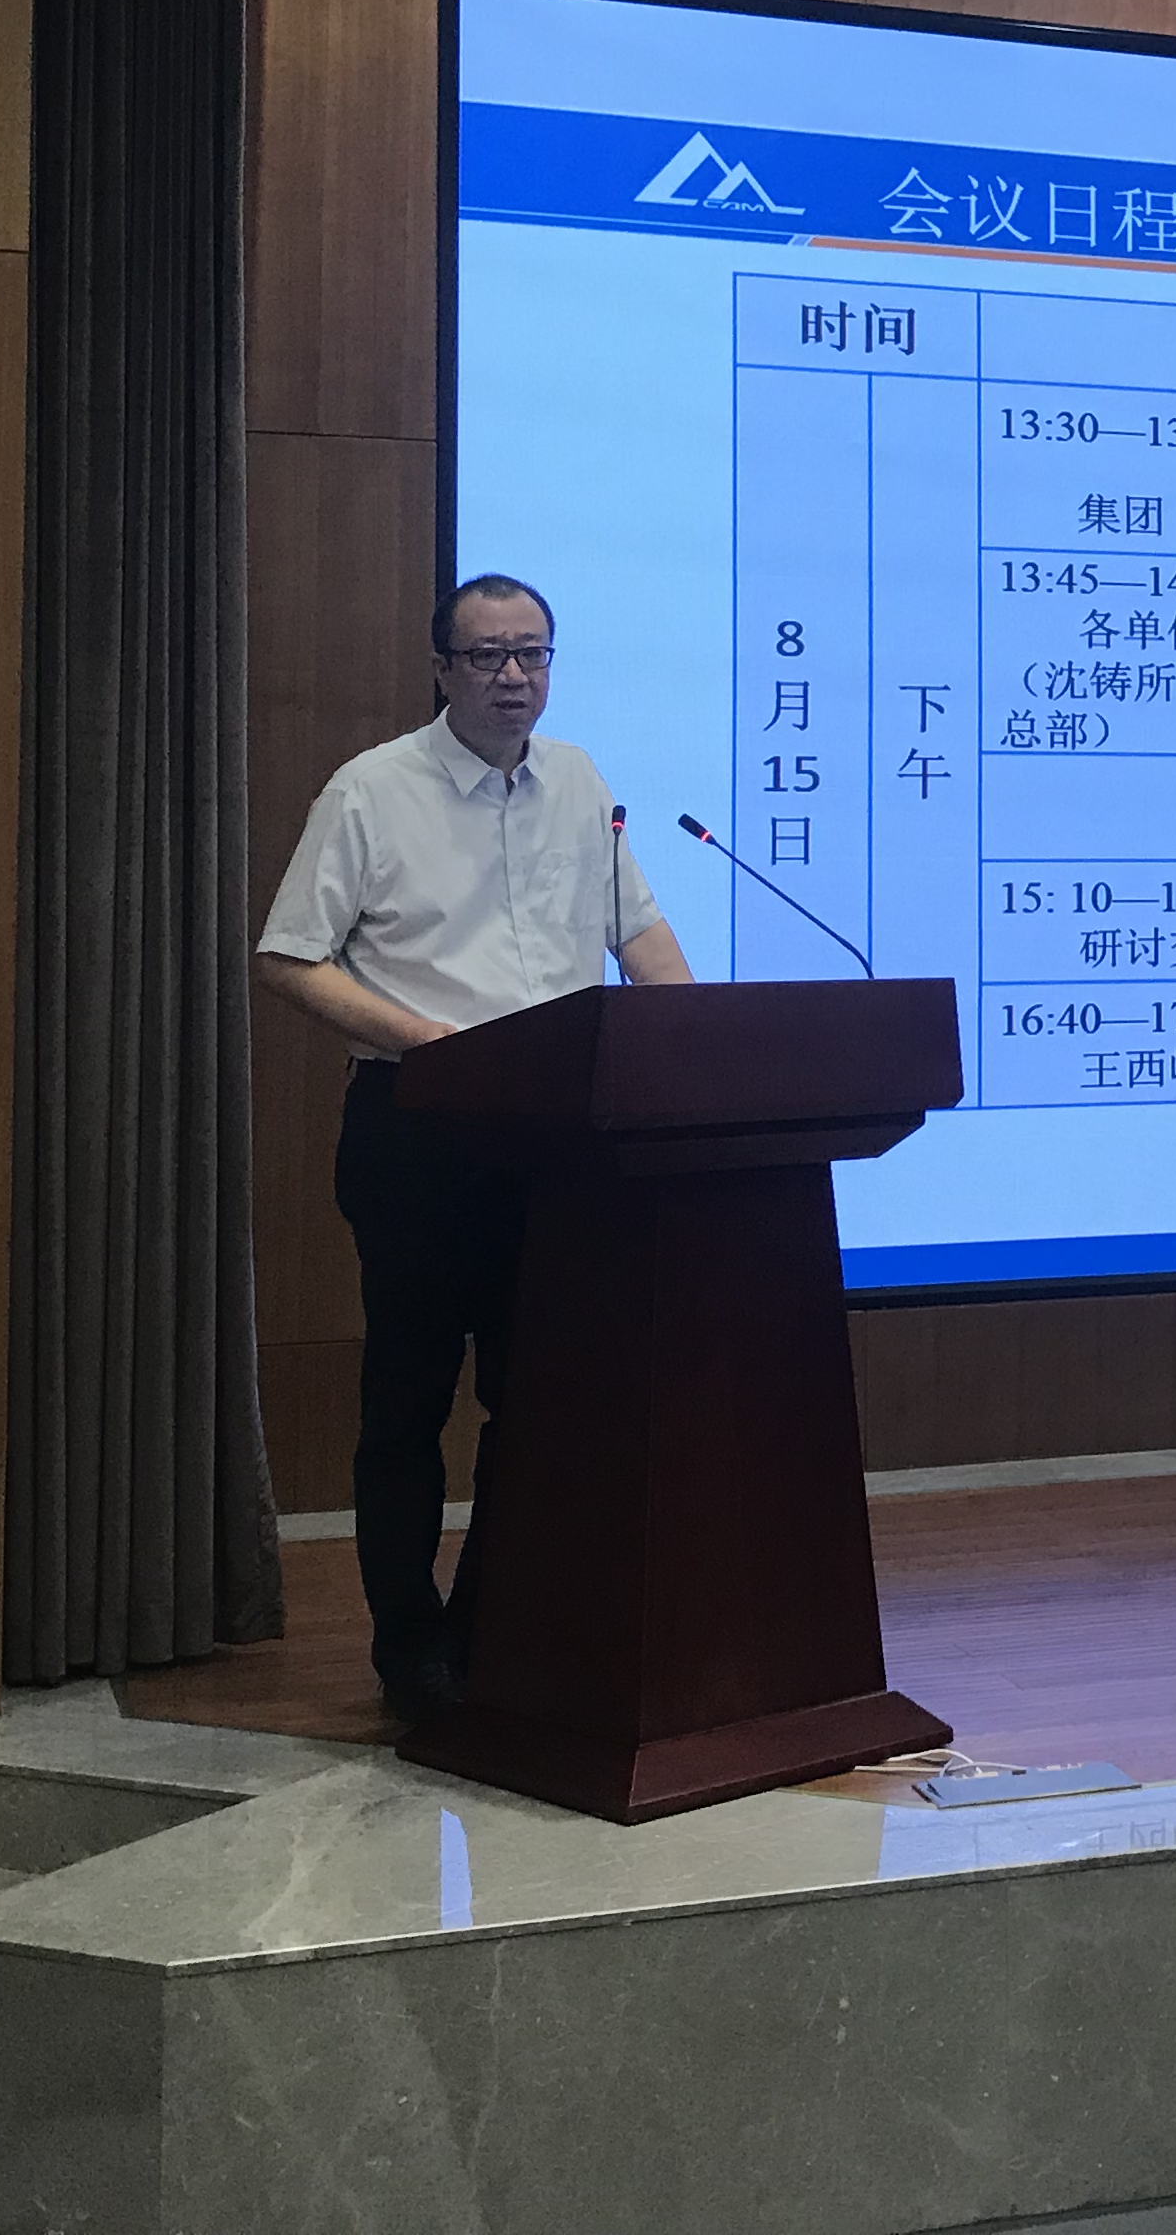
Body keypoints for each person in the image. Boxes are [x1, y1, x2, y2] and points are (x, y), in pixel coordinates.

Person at [253, 572, 693, 1715]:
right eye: (489, 656)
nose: (513, 677)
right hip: (421, 1132)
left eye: (532, 654)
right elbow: (290, 957)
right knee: (407, 1403)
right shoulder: (372, 790)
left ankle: (494, 1623)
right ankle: (408, 1645)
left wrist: (697, 1042)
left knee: (534, 1399)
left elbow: (638, 933)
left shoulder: (578, 780)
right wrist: (437, 1044)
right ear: (442, 669)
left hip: (559, 1146)